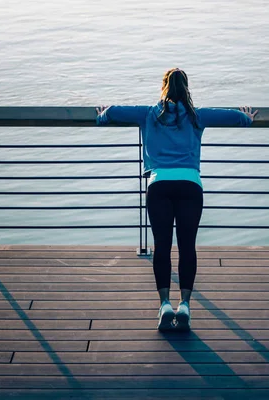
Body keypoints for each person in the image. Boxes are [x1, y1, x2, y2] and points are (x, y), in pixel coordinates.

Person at [96, 68, 258, 331]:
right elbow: (234, 117)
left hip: (159, 185)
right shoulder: (197, 116)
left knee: (162, 246)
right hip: (190, 186)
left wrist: (102, 117)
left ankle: (164, 305)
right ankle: (184, 305)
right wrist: (248, 118)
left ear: (164, 87)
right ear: (186, 89)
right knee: (187, 246)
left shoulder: (148, 113)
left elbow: (113, 111)